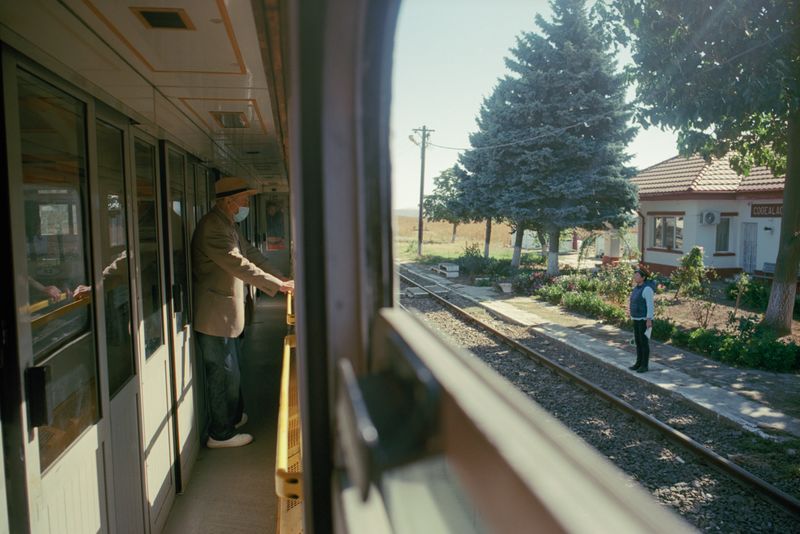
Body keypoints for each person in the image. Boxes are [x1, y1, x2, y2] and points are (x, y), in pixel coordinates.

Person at [192, 177, 294, 448]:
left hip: (228, 314)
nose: (247, 203)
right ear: (229, 201)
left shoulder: (228, 224)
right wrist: (277, 285)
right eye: (244, 198)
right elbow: (239, 265)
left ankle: (233, 417)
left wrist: (282, 279)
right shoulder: (213, 228)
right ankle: (220, 433)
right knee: (222, 373)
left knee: (232, 371)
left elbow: (252, 256)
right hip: (215, 315)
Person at [628, 267, 655, 373]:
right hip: (636, 318)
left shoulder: (647, 289)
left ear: (643, 277)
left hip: (644, 319)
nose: (635, 277)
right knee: (638, 342)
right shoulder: (637, 287)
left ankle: (644, 365)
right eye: (635, 275)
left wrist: (649, 320)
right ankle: (638, 363)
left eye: (637, 275)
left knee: (644, 343)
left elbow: (650, 306)